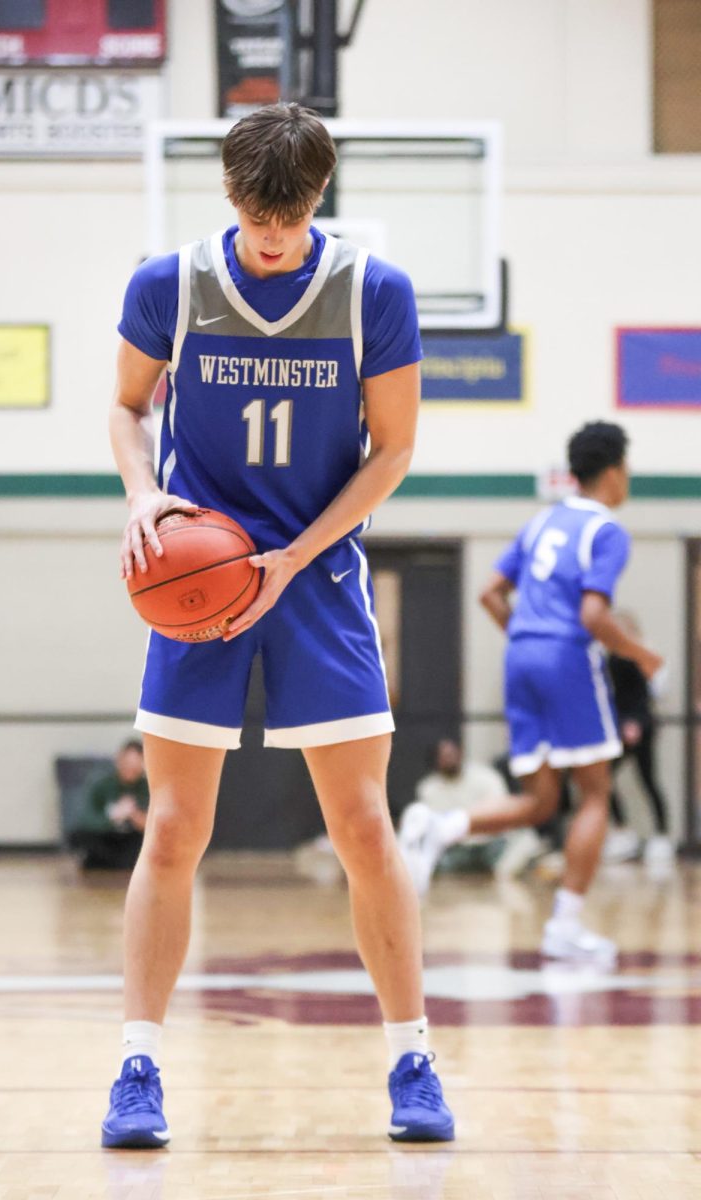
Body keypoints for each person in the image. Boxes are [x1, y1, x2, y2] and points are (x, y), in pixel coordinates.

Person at [101, 103, 454, 1149]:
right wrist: (137, 497)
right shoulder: (166, 284)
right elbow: (125, 408)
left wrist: (293, 557)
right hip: (195, 576)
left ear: (316, 201)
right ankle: (136, 1065)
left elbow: (390, 451)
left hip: (315, 576)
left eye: (289, 216)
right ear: (228, 194)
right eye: (258, 214)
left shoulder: (371, 293)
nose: (272, 233)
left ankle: (411, 1056)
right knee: (171, 829)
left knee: (360, 828)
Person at [402, 422, 663, 963]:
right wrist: (642, 654)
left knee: (541, 800)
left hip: (519, 657)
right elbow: (593, 614)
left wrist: (529, 639)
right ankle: (565, 925)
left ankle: (441, 828)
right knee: (594, 794)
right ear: (614, 471)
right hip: (568, 660)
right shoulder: (607, 530)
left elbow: (489, 593)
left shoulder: (542, 521)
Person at [398, 738, 541, 885]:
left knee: (526, 839)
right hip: (456, 850)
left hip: (492, 844)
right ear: (436, 760)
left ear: (461, 754)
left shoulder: (486, 777)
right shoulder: (428, 788)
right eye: (444, 756)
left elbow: (503, 812)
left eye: (452, 754)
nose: (449, 759)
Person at [606, 612, 673, 867]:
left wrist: (634, 722)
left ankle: (661, 834)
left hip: (638, 725)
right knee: (603, 779)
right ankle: (622, 831)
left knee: (647, 779)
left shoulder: (639, 654)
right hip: (621, 725)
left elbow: (645, 693)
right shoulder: (612, 654)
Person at [68, 740, 149, 869]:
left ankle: (110, 862)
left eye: (135, 765)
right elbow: (87, 819)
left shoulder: (147, 788)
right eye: (127, 764)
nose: (130, 769)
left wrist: (132, 813)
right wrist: (114, 815)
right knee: (79, 836)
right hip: (106, 836)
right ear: (119, 760)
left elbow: (151, 826)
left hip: (131, 838)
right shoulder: (103, 784)